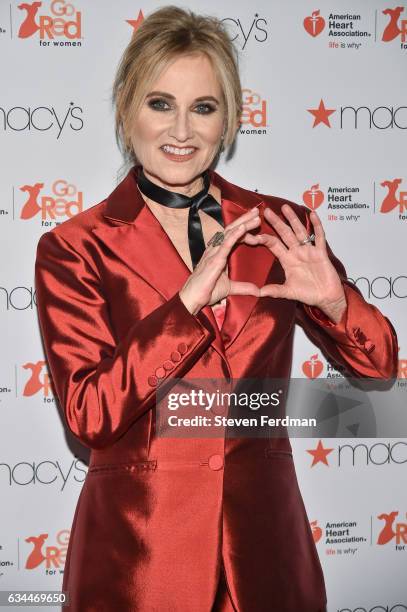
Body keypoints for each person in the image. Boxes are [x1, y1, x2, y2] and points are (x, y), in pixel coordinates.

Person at [34, 6, 398, 612]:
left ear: (229, 118)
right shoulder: (76, 246)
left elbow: (380, 367)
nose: (182, 129)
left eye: (204, 107)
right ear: (127, 109)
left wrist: (336, 300)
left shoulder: (280, 226)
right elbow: (89, 415)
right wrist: (183, 309)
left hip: (268, 555)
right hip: (141, 563)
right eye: (160, 103)